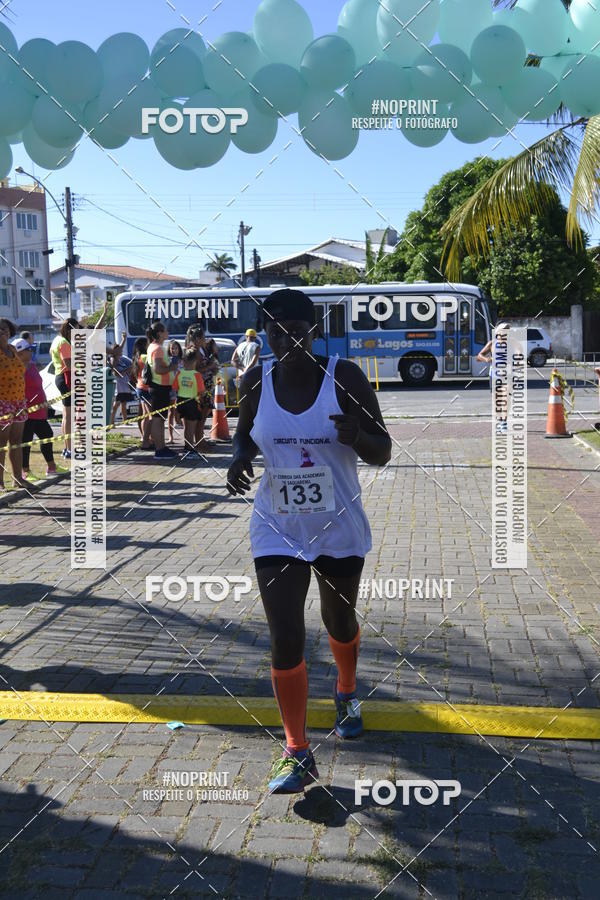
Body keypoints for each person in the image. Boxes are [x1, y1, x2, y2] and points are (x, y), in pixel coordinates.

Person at [226, 289, 392, 794]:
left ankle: (345, 691)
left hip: (338, 524)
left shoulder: (345, 377)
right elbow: (245, 433)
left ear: (314, 331)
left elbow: (382, 450)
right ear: (267, 335)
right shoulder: (257, 378)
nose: (286, 340)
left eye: (295, 331)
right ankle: (297, 752)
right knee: (285, 635)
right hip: (277, 525)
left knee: (338, 620)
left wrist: (356, 437)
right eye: (276, 332)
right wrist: (238, 459)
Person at [11, 338, 62, 481]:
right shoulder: (17, 369)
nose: (31, 351)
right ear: (20, 353)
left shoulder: (32, 365)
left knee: (47, 434)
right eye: (29, 349)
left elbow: (39, 386)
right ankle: (25, 471)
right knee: (26, 441)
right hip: (26, 411)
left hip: (39, 410)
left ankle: (51, 467)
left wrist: (44, 401)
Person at [0, 319, 27, 490]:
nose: (2, 332)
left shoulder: (11, 349)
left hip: (19, 401)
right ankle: (0, 481)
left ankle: (18, 478)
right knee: (1, 443)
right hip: (2, 402)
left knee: (16, 441)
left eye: (4, 329)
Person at [146, 321, 179, 460]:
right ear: (159, 333)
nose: (168, 332)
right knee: (158, 420)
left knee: (159, 419)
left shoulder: (155, 346)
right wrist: (172, 367)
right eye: (166, 330)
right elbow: (158, 369)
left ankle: (161, 447)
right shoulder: (158, 348)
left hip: (159, 387)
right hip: (159, 388)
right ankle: (160, 450)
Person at [185, 324, 219, 450]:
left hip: (207, 384)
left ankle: (200, 439)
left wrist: (212, 368)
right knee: (201, 415)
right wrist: (210, 367)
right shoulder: (194, 351)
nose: (205, 339)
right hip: (201, 386)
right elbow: (195, 369)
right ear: (198, 338)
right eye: (204, 337)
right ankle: (198, 441)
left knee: (205, 414)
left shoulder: (201, 349)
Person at [50, 318, 78, 459]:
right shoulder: (64, 343)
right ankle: (69, 449)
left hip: (60, 376)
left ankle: (67, 448)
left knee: (66, 415)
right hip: (66, 377)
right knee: (69, 416)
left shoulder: (56, 340)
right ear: (69, 330)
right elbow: (69, 363)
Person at [172, 348, 208, 452]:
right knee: (191, 427)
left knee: (186, 427)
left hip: (181, 401)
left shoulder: (179, 373)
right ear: (195, 361)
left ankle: (187, 447)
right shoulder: (196, 375)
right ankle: (190, 449)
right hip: (192, 402)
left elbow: (175, 387)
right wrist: (201, 400)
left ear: (183, 361)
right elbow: (201, 392)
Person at [132, 337, 152, 449]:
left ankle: (147, 439)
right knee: (151, 416)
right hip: (146, 388)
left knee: (145, 415)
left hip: (139, 387)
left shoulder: (136, 357)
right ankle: (146, 441)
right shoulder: (145, 357)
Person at [108, 332, 133, 427]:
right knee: (116, 404)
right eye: (118, 351)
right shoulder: (113, 360)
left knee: (124, 404)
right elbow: (116, 373)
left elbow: (121, 347)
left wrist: (124, 339)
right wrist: (127, 369)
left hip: (125, 385)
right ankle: (111, 422)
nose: (121, 352)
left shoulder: (122, 359)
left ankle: (125, 421)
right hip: (118, 386)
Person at [167, 340, 183, 444]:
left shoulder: (182, 360)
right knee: (170, 412)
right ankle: (170, 436)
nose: (174, 350)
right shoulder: (167, 360)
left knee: (180, 410)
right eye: (172, 348)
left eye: (176, 348)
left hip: (182, 388)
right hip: (171, 388)